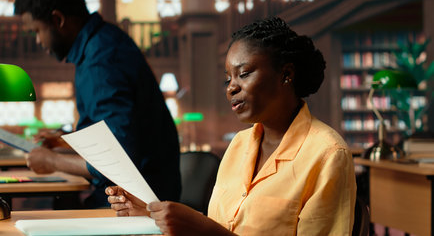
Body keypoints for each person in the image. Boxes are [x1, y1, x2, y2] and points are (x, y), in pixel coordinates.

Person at [107, 16, 357, 235]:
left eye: (244, 73)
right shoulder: (239, 145)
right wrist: (149, 212)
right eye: (228, 78)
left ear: (286, 74)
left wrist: (202, 229)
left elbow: (213, 232)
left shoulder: (328, 154)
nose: (231, 87)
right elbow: (224, 227)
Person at [14, 0, 181, 208]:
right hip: (134, 194)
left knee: (37, 212)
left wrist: (52, 161)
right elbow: (114, 137)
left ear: (57, 20)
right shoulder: (102, 42)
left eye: (37, 31)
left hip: (140, 204)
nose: (37, 40)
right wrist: (66, 141)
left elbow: (117, 159)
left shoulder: (101, 61)